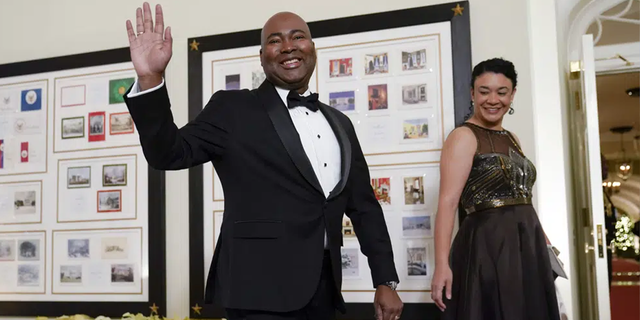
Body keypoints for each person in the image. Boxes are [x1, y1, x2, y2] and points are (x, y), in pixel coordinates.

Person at [122, 3, 403, 320]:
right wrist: (150, 79)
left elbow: (364, 207)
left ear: (312, 48)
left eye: (298, 37)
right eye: (275, 40)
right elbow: (168, 153)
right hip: (257, 293)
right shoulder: (233, 108)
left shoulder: (340, 123)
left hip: (324, 292)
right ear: (261, 56)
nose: (288, 47)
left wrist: (385, 279)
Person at [430, 58, 561, 320]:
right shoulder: (463, 137)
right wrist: (441, 264)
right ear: (472, 93)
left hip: (527, 243)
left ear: (512, 94)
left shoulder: (512, 138)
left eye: (501, 92)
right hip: (487, 246)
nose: (493, 99)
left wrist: (543, 241)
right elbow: (447, 202)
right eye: (484, 91)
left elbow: (521, 197)